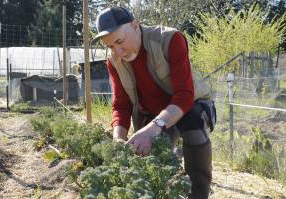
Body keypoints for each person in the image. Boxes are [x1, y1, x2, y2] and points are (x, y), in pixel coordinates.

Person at [92, 7, 216, 199]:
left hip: (190, 105)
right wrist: (118, 140)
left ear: (135, 25)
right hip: (152, 114)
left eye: (119, 41)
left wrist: (152, 129)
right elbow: (121, 104)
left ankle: (199, 194)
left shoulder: (170, 39)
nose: (117, 51)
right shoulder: (114, 60)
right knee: (149, 159)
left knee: (193, 124)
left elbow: (184, 96)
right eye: (110, 46)